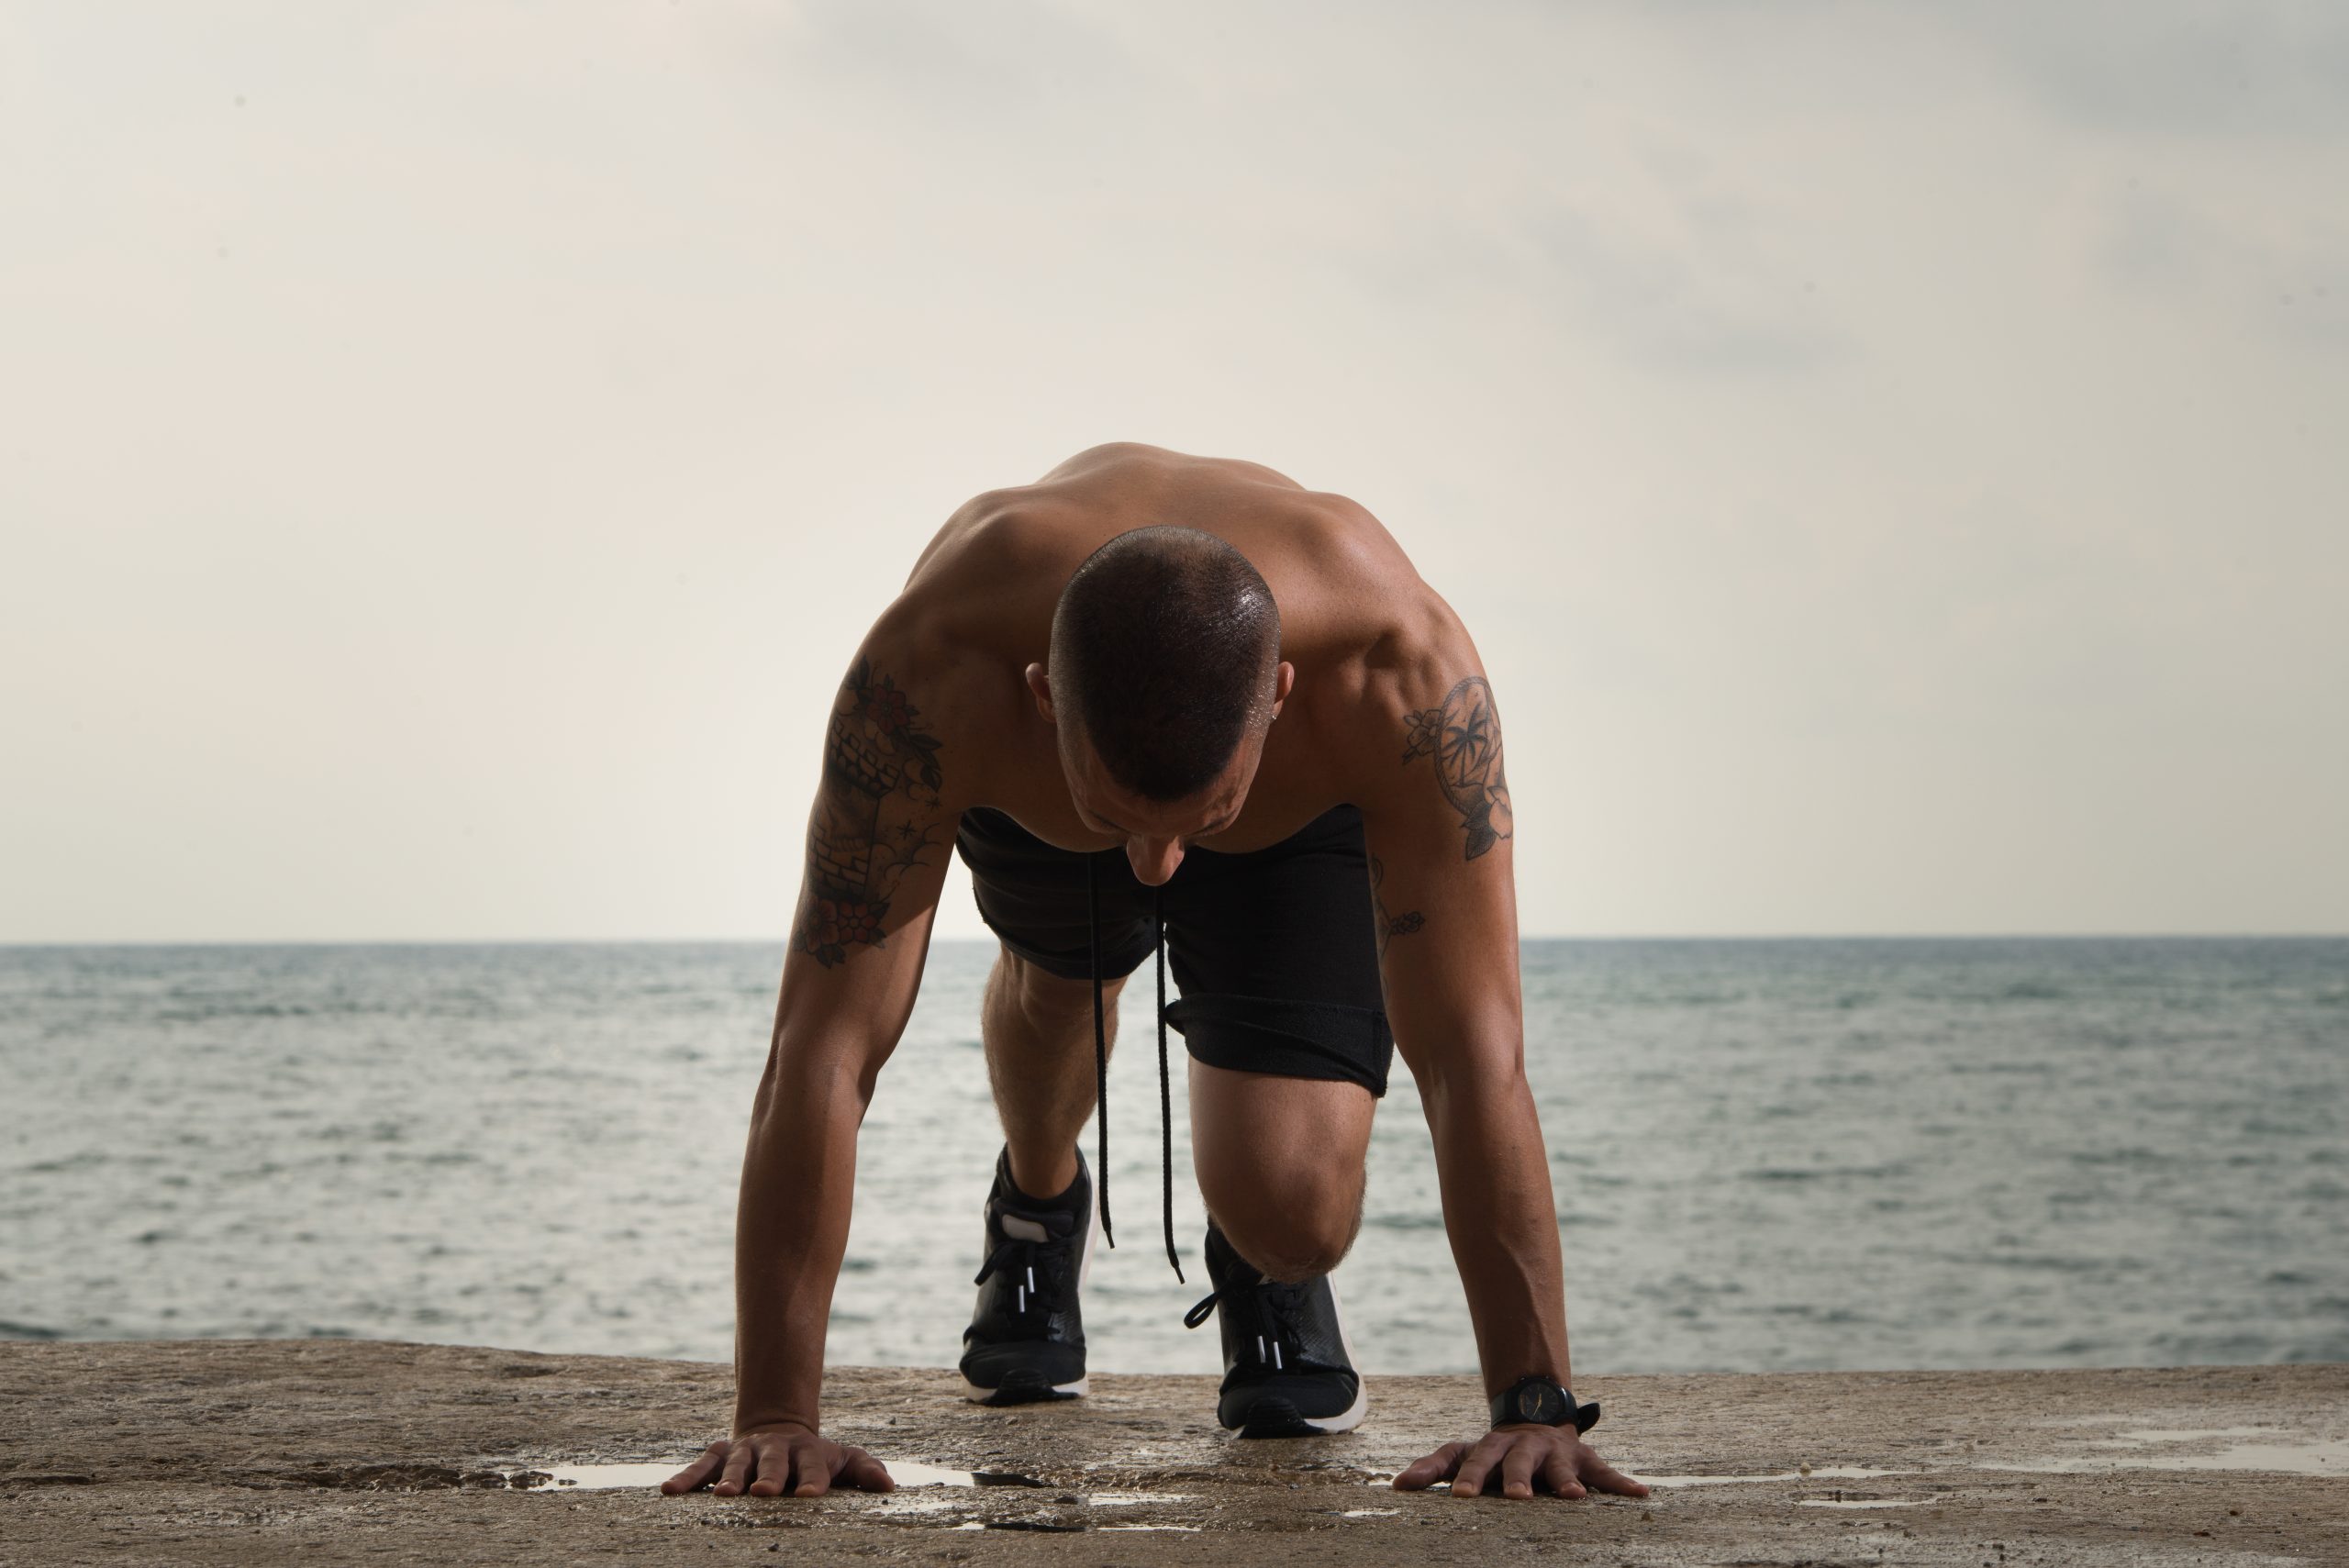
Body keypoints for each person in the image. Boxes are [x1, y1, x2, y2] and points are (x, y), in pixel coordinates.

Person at [661, 443, 1646, 1505]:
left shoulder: (1398, 676)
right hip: (1040, 798)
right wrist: (773, 1416)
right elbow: (822, 1046)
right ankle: (1037, 1206)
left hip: (1295, 811)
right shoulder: (933, 675)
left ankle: (1262, 1264)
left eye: (1194, 826)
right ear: (1042, 694)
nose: (1155, 868)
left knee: (1294, 1208)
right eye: (1119, 824)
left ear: (1279, 693)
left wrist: (1532, 1407)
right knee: (1058, 986)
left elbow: (1474, 1053)